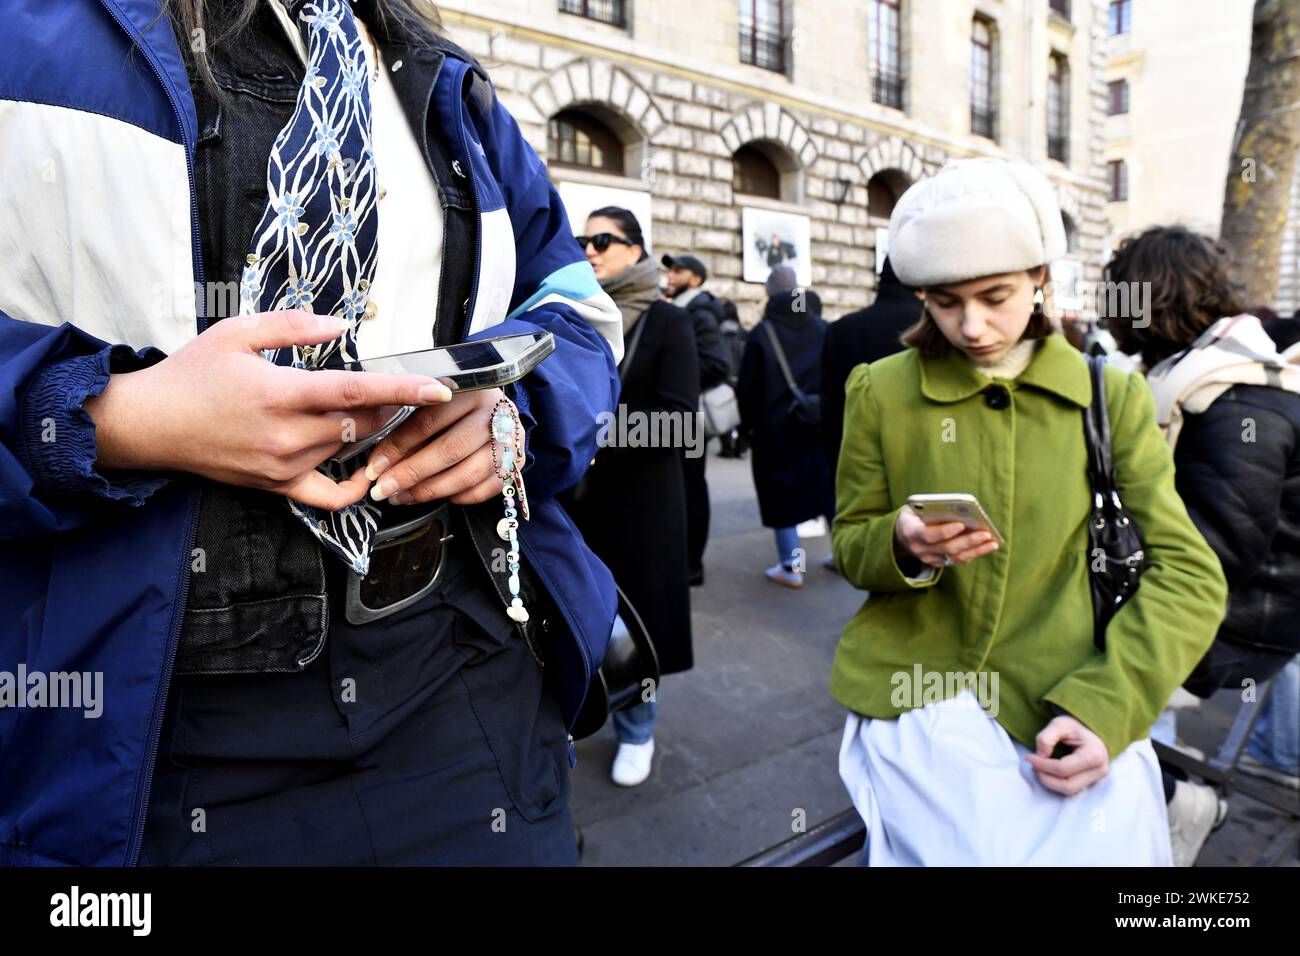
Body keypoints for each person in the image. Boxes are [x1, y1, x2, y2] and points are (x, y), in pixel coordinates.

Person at [0, 0, 624, 866]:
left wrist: (522, 410)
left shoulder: (439, 72)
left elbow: (577, 309)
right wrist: (113, 419)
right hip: (146, 737)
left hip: (465, 687)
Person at [832, 158, 1227, 866]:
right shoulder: (880, 391)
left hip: (1068, 691)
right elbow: (852, 538)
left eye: (995, 295)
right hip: (917, 690)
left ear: (1041, 277)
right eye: (944, 302)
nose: (971, 325)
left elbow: (1188, 575)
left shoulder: (1115, 398)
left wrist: (1110, 705)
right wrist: (900, 541)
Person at [1102, 226, 1300, 859]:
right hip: (1239, 606)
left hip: (1242, 625)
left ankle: (1162, 800)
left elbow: (1216, 554)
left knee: (1078, 667)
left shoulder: (1236, 396)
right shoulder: (1204, 376)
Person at [565, 207, 698, 787]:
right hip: (572, 502)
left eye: (603, 240)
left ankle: (638, 728)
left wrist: (590, 427)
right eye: (582, 240)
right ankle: (578, 713)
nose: (589, 250)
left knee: (633, 626)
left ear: (636, 250)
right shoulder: (573, 313)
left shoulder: (668, 322)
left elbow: (681, 422)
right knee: (577, 617)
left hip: (639, 507)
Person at [736, 265, 835, 588]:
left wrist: (747, 430)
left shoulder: (763, 333)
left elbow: (747, 389)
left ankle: (793, 567)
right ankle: (845, 557)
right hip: (818, 424)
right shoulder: (822, 327)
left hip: (775, 430)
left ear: (769, 294)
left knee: (782, 496)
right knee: (828, 492)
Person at [662, 253, 731, 586]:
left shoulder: (698, 312)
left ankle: (692, 565)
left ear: (697, 279)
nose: (671, 275)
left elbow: (718, 363)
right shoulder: (684, 308)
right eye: (670, 270)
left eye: (679, 271)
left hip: (690, 417)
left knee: (690, 489)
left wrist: (678, 376)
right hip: (682, 414)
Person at [820, 255, 923, 475]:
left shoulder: (839, 330)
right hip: (916, 454)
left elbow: (828, 403)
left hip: (852, 452)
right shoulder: (927, 328)